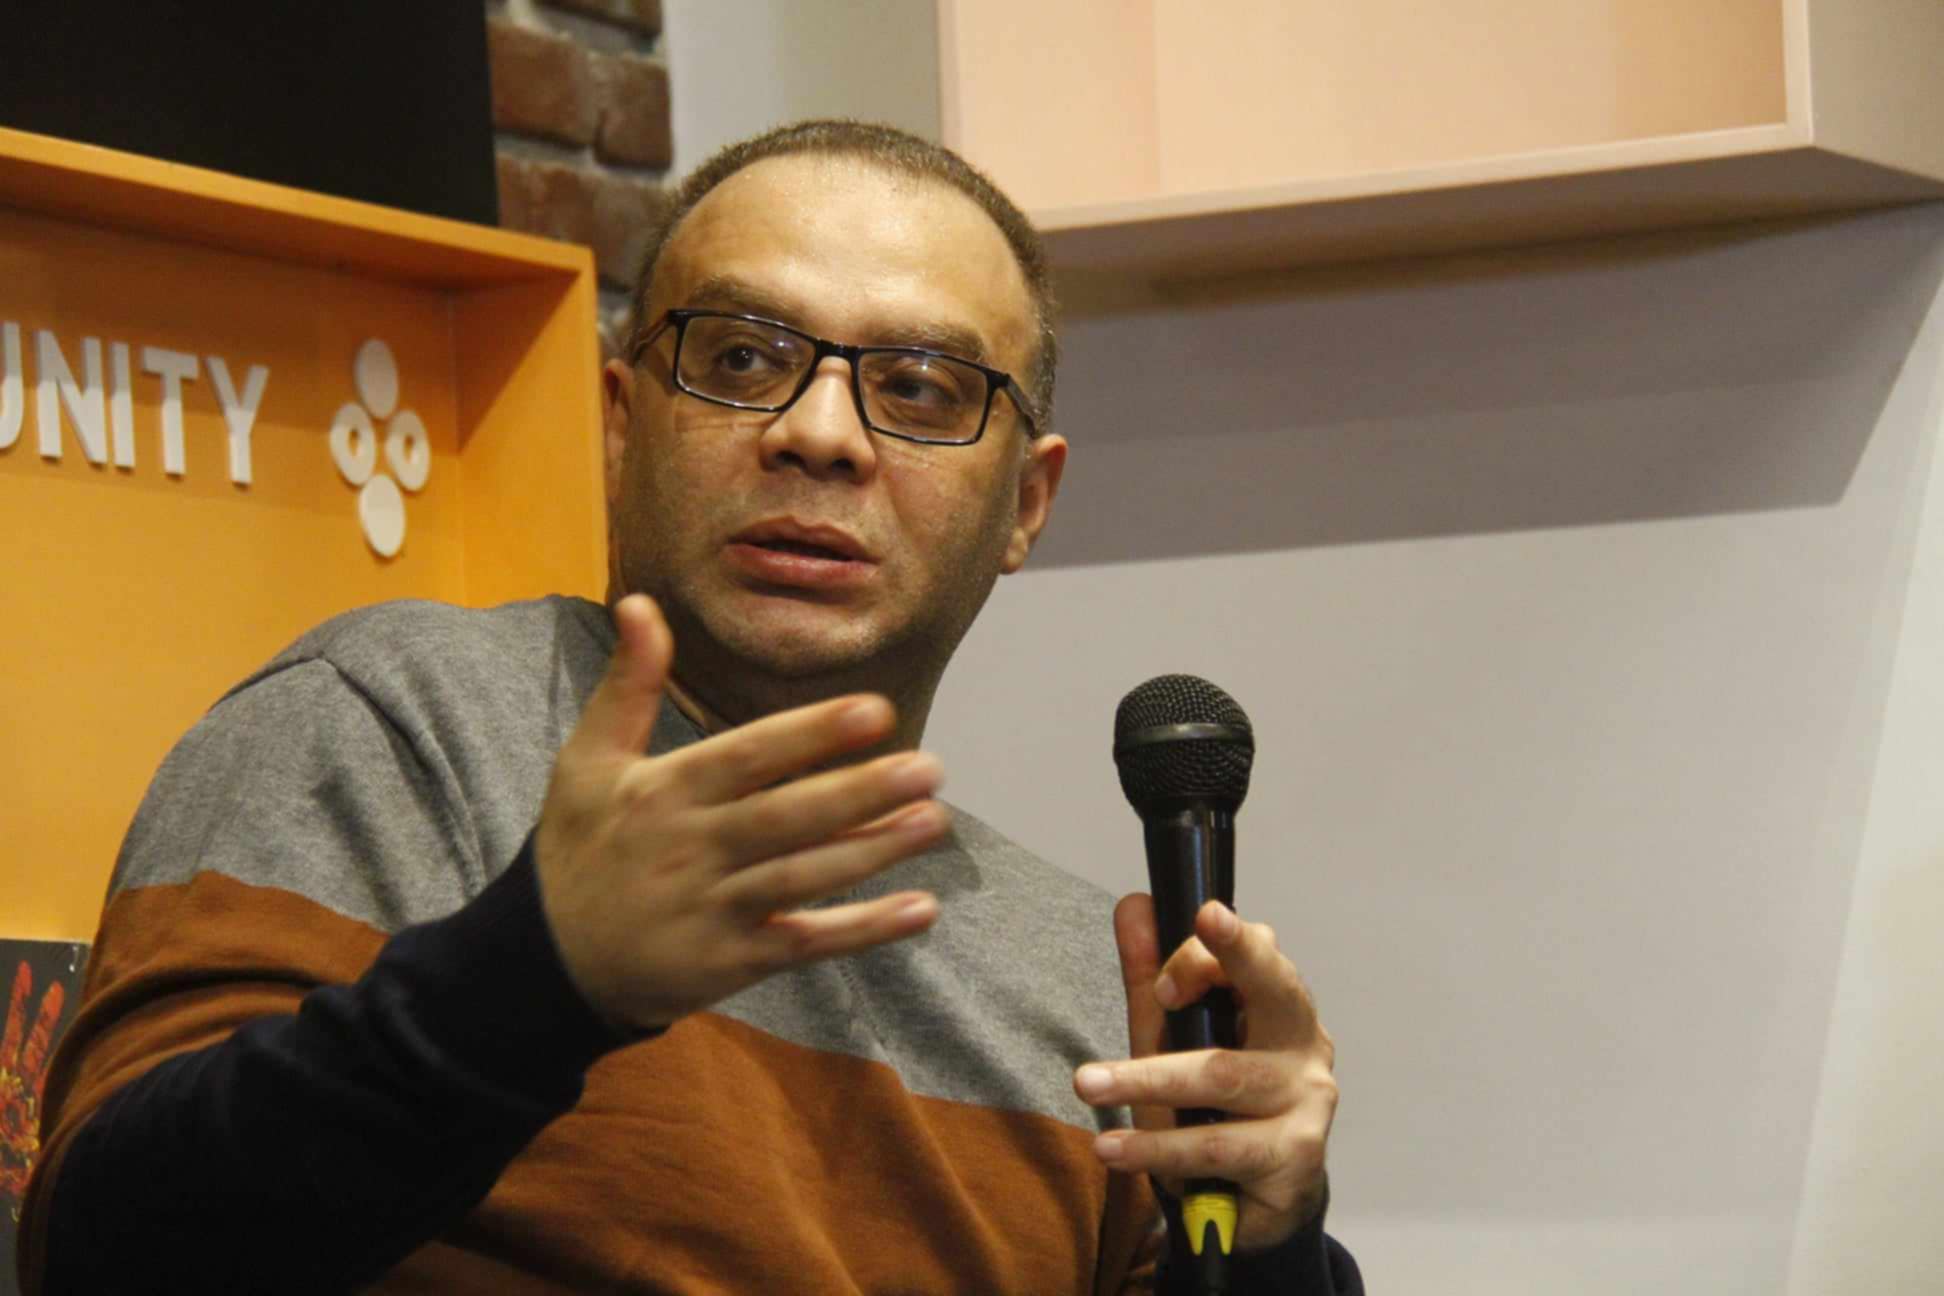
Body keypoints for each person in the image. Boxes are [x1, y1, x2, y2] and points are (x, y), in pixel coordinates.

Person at [18, 121, 1360, 1294]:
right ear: (621, 422)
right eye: (741, 355)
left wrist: (1270, 1244)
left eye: (918, 388)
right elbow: (103, 1252)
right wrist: (537, 979)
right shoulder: (396, 725)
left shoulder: (1101, 980)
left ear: (1026, 503)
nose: (820, 433)